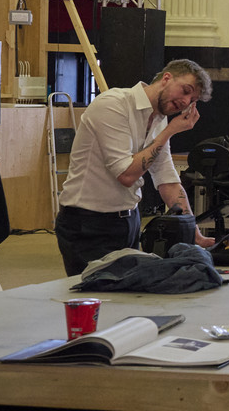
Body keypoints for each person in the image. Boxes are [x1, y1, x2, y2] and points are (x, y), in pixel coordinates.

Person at [54, 58, 213, 276]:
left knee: (126, 300)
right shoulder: (113, 104)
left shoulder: (160, 120)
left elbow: (167, 178)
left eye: (192, 99)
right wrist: (169, 133)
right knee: (97, 299)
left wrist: (191, 229)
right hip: (88, 223)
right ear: (167, 78)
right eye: (185, 91)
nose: (185, 102)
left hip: (128, 220)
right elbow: (126, 174)